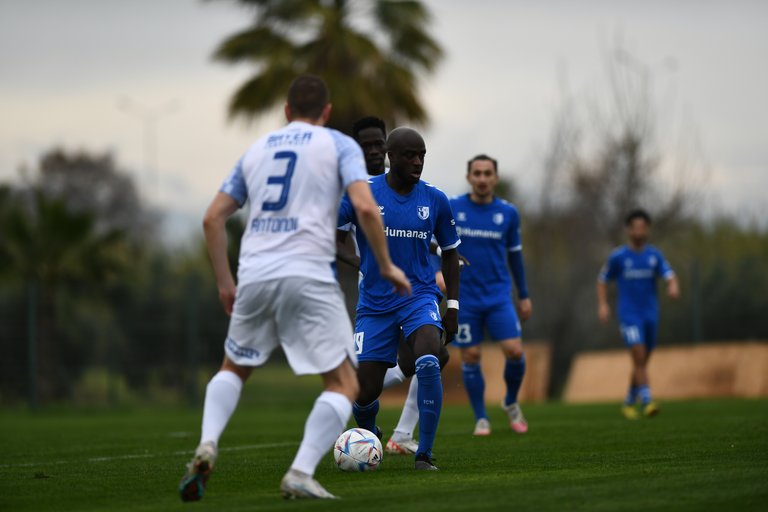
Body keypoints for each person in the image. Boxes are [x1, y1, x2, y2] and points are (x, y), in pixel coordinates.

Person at [178, 75, 411, 502]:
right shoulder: (338, 144)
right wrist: (385, 264)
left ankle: (207, 443)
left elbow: (212, 218)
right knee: (344, 383)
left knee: (233, 367)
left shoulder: (257, 149)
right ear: (326, 112)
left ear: (286, 111)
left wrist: (225, 283)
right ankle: (300, 472)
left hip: (254, 273)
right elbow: (364, 206)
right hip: (308, 274)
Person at [338, 127, 461, 470]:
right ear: (391, 157)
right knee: (364, 392)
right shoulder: (363, 192)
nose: (417, 161)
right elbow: (333, 236)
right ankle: (368, 434)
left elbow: (451, 253)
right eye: (409, 155)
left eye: (422, 155)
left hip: (418, 296)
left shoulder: (434, 199)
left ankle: (424, 454)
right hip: (374, 304)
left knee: (429, 359)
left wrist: (452, 306)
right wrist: (360, 262)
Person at [449, 154, 532, 436]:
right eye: (477, 173)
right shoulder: (453, 207)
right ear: (468, 177)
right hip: (465, 297)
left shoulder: (508, 213)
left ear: (495, 178)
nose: (482, 179)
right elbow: (439, 246)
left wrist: (524, 295)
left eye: (487, 173)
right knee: (471, 355)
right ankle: (481, 417)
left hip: (498, 296)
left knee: (515, 351)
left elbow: (515, 256)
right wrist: (438, 274)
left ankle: (510, 401)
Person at [597, 208, 679, 419]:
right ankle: (647, 400)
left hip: (650, 314)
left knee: (641, 360)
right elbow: (602, 280)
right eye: (635, 227)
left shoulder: (654, 255)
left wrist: (672, 286)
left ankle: (628, 401)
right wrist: (603, 305)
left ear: (648, 229)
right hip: (629, 314)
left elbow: (669, 275)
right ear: (628, 230)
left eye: (642, 227)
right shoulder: (618, 257)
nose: (639, 231)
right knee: (639, 354)